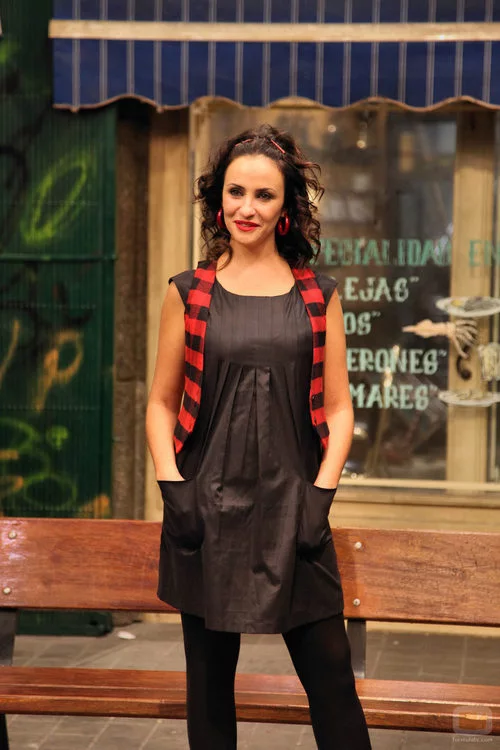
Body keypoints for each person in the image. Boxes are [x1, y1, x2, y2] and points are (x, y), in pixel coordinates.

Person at [146, 123, 371, 750]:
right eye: (235, 192)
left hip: (295, 515)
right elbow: (160, 403)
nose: (247, 207)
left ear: (285, 207)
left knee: (332, 681)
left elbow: (340, 408)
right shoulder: (187, 293)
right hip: (204, 513)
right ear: (218, 199)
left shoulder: (319, 296)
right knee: (209, 692)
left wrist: (320, 497)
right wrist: (173, 488)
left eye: (264, 195)